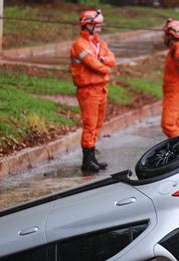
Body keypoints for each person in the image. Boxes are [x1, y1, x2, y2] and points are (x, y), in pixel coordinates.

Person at [69, 9, 115, 172]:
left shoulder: (98, 42)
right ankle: (87, 161)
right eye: (97, 26)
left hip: (101, 88)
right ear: (87, 25)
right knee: (90, 124)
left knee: (97, 124)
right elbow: (92, 63)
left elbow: (112, 59)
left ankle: (92, 157)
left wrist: (103, 60)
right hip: (88, 90)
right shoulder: (79, 44)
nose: (100, 29)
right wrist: (105, 68)